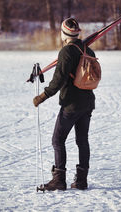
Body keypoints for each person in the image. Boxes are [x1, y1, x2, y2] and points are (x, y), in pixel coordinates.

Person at [33, 18, 96, 191]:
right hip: (88, 102)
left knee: (57, 140)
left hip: (71, 104)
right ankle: (81, 181)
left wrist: (43, 96)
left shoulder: (67, 51)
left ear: (63, 33)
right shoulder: (87, 49)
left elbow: (58, 79)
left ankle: (59, 180)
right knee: (82, 140)